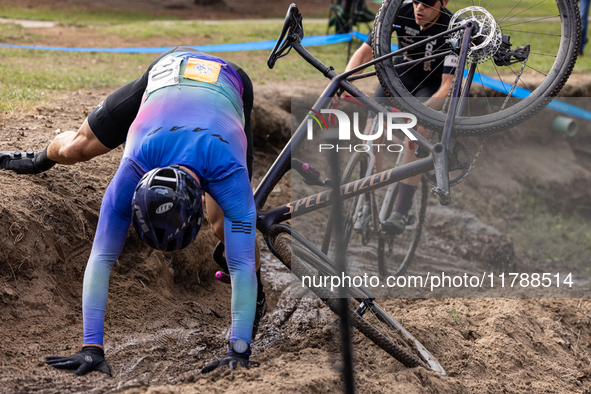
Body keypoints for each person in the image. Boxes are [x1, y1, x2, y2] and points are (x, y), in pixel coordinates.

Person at [0, 46, 265, 375]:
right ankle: (38, 158)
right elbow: (101, 255)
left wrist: (239, 349)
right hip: (167, 71)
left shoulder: (229, 174)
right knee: (76, 148)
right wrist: (90, 348)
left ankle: (258, 295)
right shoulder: (134, 164)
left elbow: (240, 264)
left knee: (223, 226)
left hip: (230, 81)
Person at [344, 0, 457, 234]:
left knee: (416, 135)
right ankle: (367, 202)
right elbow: (365, 52)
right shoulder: (398, 10)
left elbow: (447, 85)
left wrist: (421, 114)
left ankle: (401, 211)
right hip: (400, 74)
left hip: (432, 85)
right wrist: (345, 80)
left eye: (427, 3)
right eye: (416, 1)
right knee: (373, 132)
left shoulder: (452, 26)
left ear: (443, 2)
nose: (419, 8)